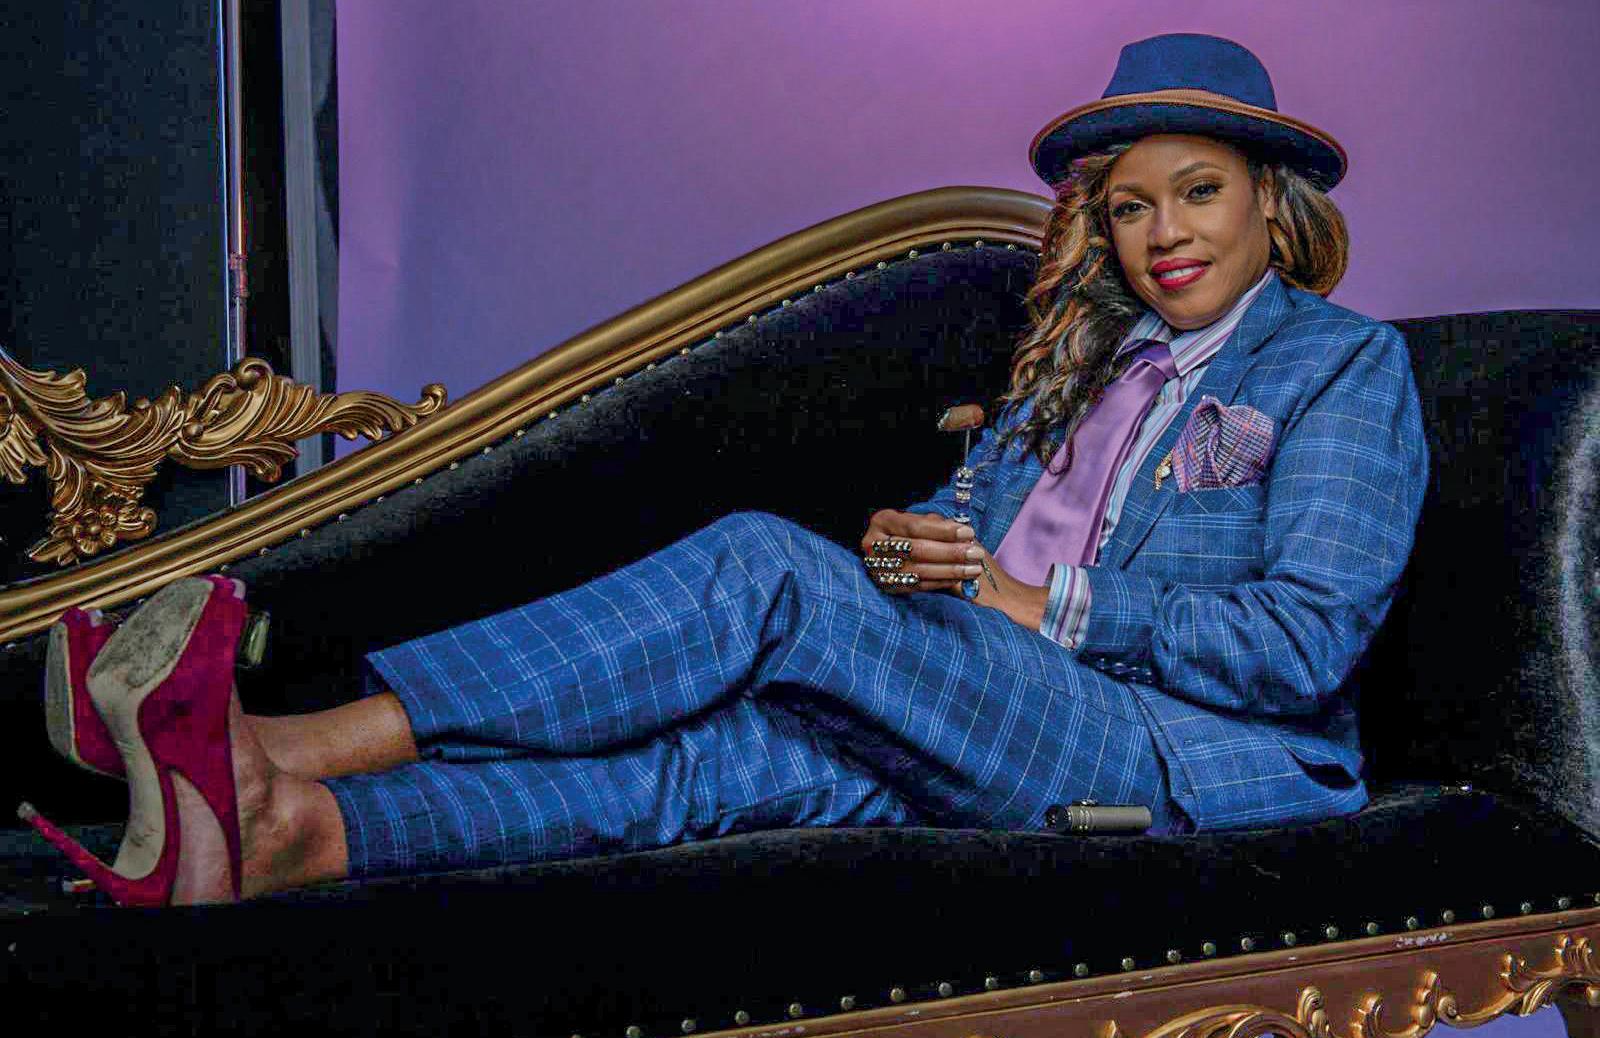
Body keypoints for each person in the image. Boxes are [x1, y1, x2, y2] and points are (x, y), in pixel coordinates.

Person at [20, 32, 1427, 906]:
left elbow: (1303, 646)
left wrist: (1031, 601)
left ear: (1270, 200)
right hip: (1006, 700)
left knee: (764, 569)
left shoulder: (1340, 367)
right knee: (721, 758)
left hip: (1174, 758)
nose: (1163, 234)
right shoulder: (1084, 359)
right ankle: (295, 835)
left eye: (1198, 192)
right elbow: (975, 529)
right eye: (1128, 206)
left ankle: (279, 744)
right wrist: (913, 550)